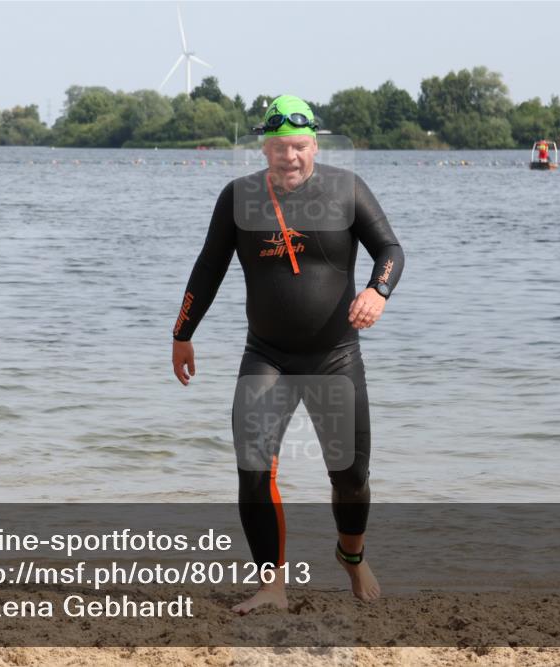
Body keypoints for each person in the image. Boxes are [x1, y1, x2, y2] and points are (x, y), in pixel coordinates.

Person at [171, 95, 404, 614]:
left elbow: (390, 250)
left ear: (314, 145)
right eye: (279, 148)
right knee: (252, 469)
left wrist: (377, 292)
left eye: (299, 147)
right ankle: (272, 583)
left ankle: (351, 553)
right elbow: (208, 267)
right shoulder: (239, 197)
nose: (290, 157)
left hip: (336, 355)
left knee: (350, 476)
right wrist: (182, 333)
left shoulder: (346, 189)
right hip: (267, 355)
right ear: (264, 148)